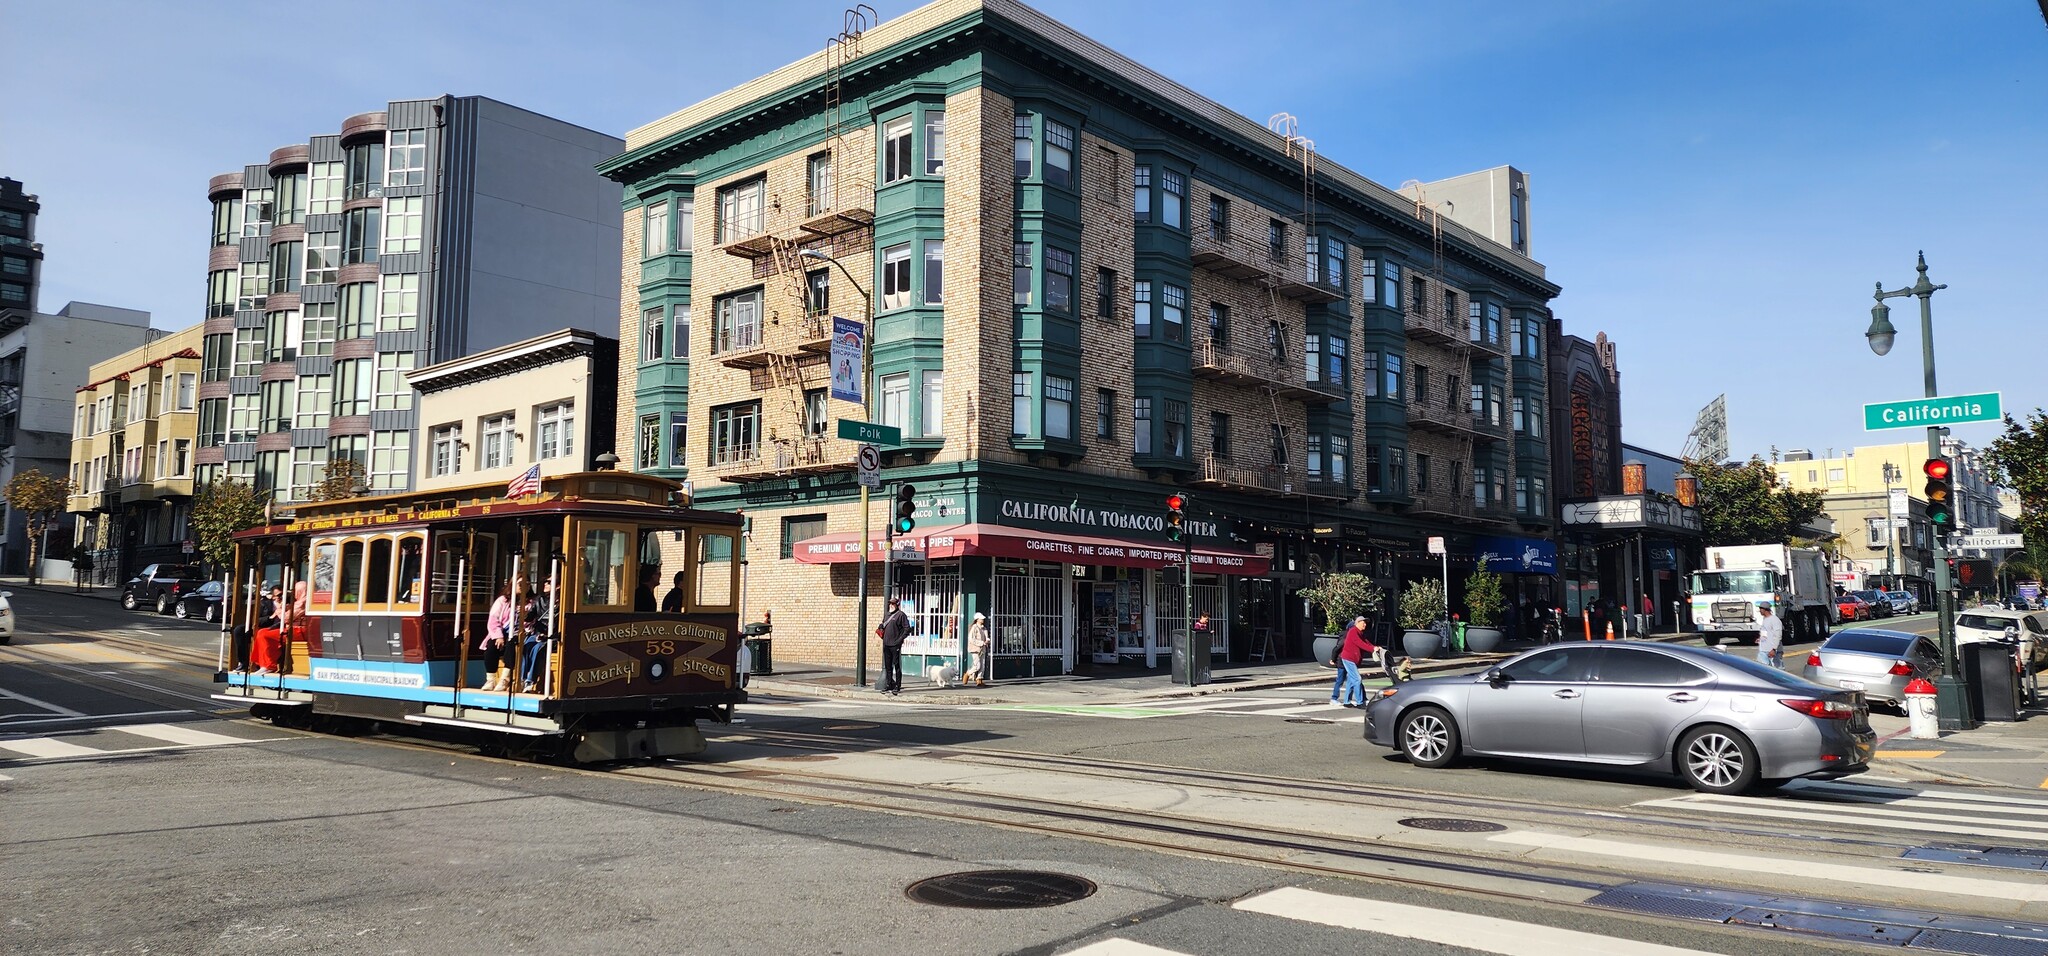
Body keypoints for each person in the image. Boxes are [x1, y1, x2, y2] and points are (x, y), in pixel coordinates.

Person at [1330, 615, 1376, 707]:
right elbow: (1360, 644)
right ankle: (1359, 702)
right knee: (1356, 679)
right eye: (1363, 622)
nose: (1365, 624)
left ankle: (1347, 701)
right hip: (1348, 659)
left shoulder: (1360, 633)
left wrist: (1375, 647)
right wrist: (1372, 649)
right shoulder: (1353, 632)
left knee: (1351, 680)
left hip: (1353, 659)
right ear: (1357, 623)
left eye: (1365, 623)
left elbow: (1366, 642)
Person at [479, 581, 515, 691]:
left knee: (511, 645)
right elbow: (493, 619)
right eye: (520, 584)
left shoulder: (530, 601)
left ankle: (505, 679)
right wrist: (498, 636)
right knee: (491, 646)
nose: (524, 587)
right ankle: (491, 679)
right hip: (502, 632)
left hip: (518, 633)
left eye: (527, 584)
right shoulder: (502, 601)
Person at [520, 578, 554, 694]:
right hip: (537, 633)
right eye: (545, 581)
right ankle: (522, 679)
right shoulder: (540, 599)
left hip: (552, 636)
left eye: (548, 582)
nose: (545, 583)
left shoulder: (561, 602)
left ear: (558, 585)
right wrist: (524, 614)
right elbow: (530, 616)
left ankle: (530, 681)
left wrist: (547, 634)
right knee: (526, 646)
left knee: (537, 649)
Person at [879, 597, 911, 695]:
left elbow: (907, 629)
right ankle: (889, 684)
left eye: (893, 604)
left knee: (896, 665)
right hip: (886, 644)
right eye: (890, 604)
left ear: (897, 605)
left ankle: (897, 685)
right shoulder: (887, 615)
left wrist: (899, 640)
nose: (891, 605)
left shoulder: (901, 615)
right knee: (888, 666)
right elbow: (883, 625)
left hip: (895, 644)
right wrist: (880, 626)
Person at [250, 584, 284, 676]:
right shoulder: (265, 604)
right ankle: (258, 664)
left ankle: (268, 665)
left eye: (283, 595)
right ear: (273, 597)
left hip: (281, 628)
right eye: (279, 595)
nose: (281, 597)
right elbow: (258, 621)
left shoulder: (289, 604)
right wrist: (271, 617)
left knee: (263, 634)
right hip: (269, 626)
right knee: (243, 630)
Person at [965, 612, 991, 688]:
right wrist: (981, 643)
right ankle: (968, 673)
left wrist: (987, 640)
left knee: (982, 665)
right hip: (975, 649)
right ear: (977, 619)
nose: (983, 619)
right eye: (981, 618)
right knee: (977, 665)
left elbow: (986, 637)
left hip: (983, 648)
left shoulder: (984, 628)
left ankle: (979, 679)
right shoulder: (974, 628)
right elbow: (971, 639)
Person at [1756, 601, 1784, 669]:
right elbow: (1766, 632)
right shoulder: (1765, 619)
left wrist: (1774, 649)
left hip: (1772, 650)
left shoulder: (1774, 620)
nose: (1759, 611)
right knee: (1763, 670)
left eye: (1760, 609)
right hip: (1763, 650)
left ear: (1765, 609)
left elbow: (1778, 634)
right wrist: (1761, 638)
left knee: (1778, 671)